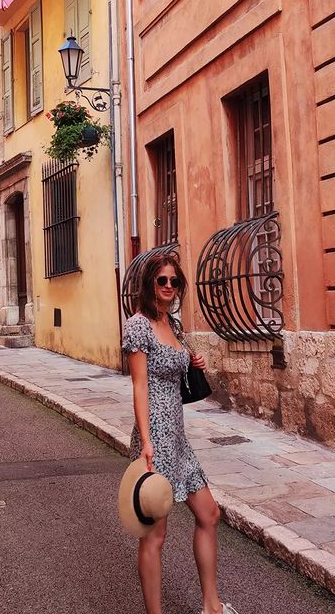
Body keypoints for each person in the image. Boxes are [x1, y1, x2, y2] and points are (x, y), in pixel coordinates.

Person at [123, 254, 238, 614]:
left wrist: (191, 359)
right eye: (162, 281)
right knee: (155, 535)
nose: (169, 287)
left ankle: (211, 607)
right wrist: (145, 442)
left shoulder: (171, 324)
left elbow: (174, 362)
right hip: (155, 436)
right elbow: (140, 386)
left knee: (209, 514)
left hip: (178, 437)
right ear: (148, 285)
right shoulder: (138, 326)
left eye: (174, 281)